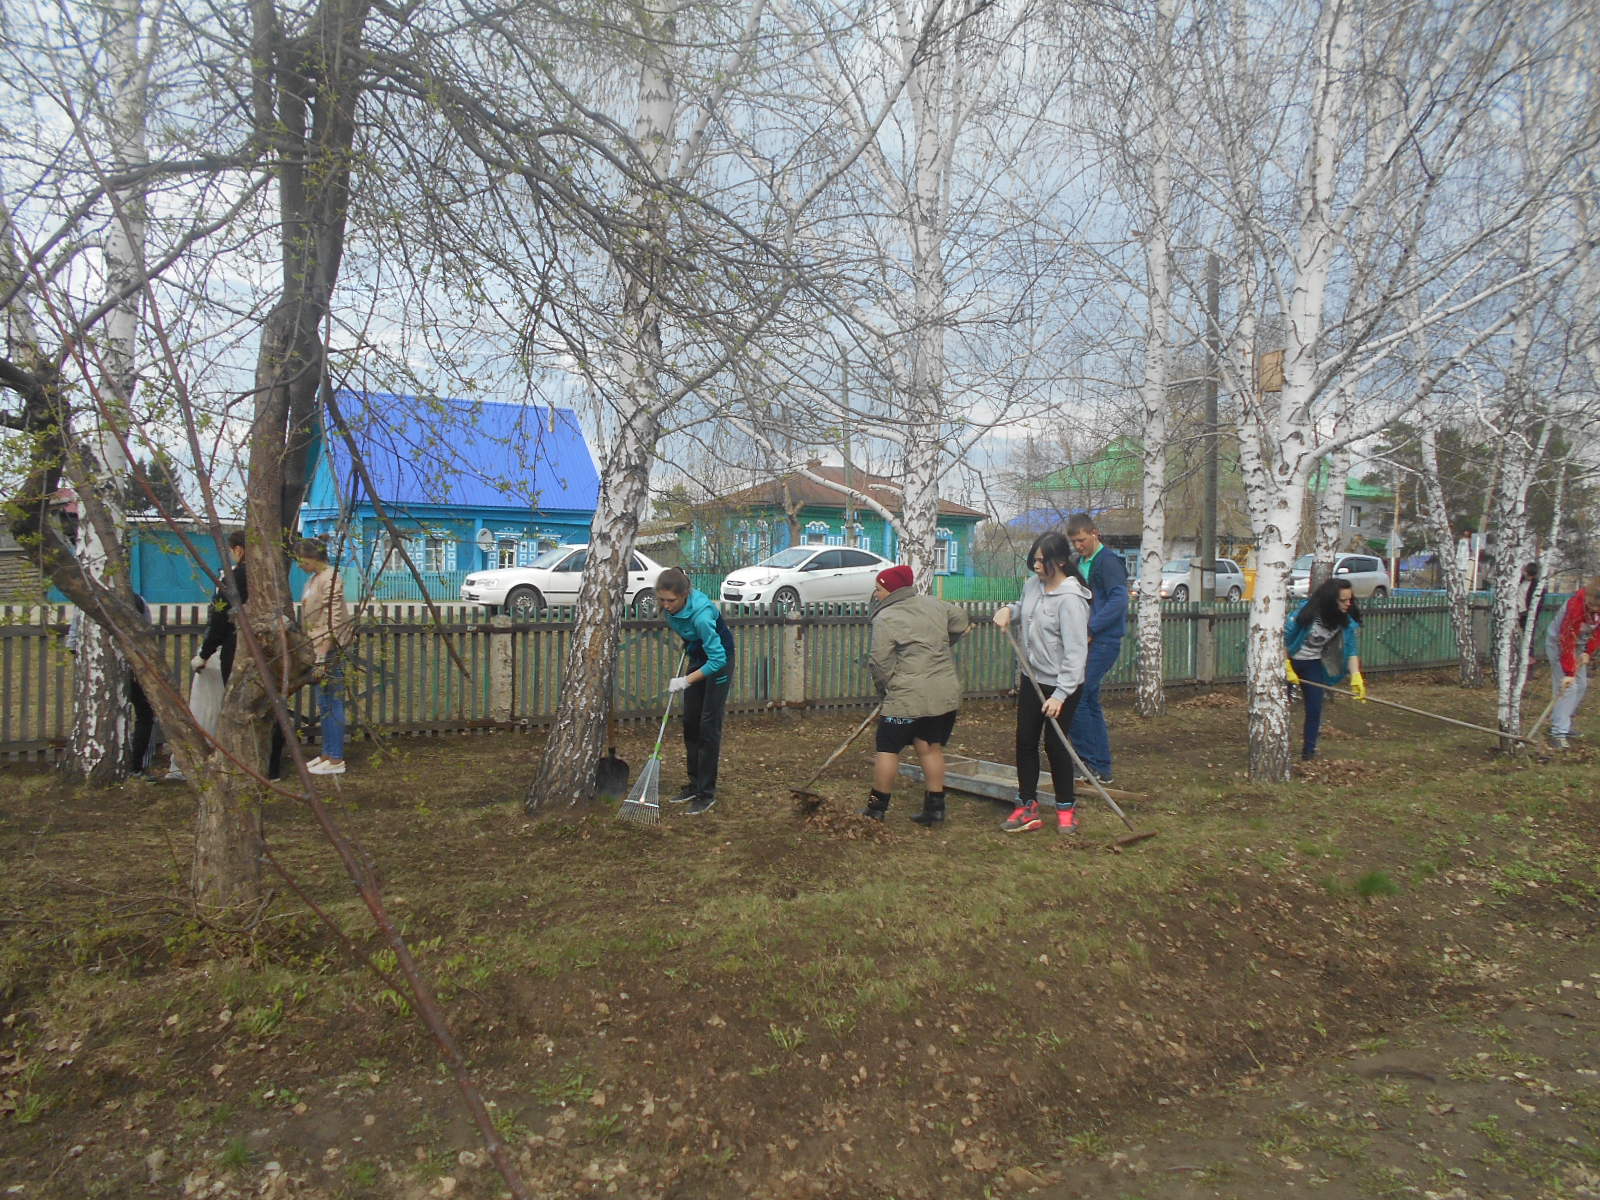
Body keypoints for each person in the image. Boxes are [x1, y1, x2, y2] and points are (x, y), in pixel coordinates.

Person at [993, 531, 1091, 834]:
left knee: (1055, 744)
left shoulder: (1071, 600)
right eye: (1034, 559)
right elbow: (1025, 608)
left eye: (1041, 560)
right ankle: (1027, 805)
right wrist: (1009, 610)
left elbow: (1076, 653)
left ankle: (1066, 807)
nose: (1035, 565)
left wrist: (1060, 695)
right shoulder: (1033, 585)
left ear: (1059, 561)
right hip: (1032, 677)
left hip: (1063, 685)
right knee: (1025, 740)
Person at [863, 564, 971, 824]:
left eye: (878, 589)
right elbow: (962, 622)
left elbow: (879, 662)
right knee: (929, 747)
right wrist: (946, 641)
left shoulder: (886, 617)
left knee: (887, 748)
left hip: (906, 700)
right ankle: (935, 810)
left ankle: (876, 809)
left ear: (891, 590)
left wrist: (886, 689)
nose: (876, 594)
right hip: (943, 696)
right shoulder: (936, 605)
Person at [656, 566, 734, 815]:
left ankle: (706, 793)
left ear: (684, 595)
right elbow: (689, 634)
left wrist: (686, 680)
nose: (666, 605)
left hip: (719, 661)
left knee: (708, 726)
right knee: (691, 723)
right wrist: (690, 644)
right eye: (662, 599)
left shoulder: (702, 615)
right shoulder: (669, 611)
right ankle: (694, 783)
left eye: (671, 600)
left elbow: (717, 659)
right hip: (699, 657)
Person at [1065, 513, 1129, 785]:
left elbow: (1119, 600)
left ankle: (1088, 762)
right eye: (1074, 542)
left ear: (1094, 533)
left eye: (1081, 540)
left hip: (1103, 640)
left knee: (1077, 695)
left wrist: (1092, 628)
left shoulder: (1108, 562)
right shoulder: (1079, 563)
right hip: (1084, 640)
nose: (1078, 545)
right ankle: (1101, 766)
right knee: (1088, 699)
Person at [1284, 577, 1366, 761]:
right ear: (1330, 600)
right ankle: (1277, 748)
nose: (1348, 604)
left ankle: (1309, 753)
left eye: (1350, 599)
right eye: (1343, 600)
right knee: (1281, 706)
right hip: (1288, 661)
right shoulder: (1306, 614)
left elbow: (1351, 649)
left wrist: (1356, 675)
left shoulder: (1344, 621)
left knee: (1315, 708)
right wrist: (1286, 666)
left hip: (1312, 664)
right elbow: (1281, 640)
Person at [296, 537, 355, 775]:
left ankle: (336, 759)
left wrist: (323, 652)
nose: (299, 564)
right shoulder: (314, 578)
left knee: (333, 701)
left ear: (312, 557)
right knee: (323, 702)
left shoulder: (331, 577)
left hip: (330, 648)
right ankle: (327, 753)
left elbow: (334, 617)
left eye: (301, 559)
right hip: (316, 645)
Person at [1545, 576, 1600, 750]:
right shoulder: (1575, 606)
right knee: (1569, 688)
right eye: (1594, 606)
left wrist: (1588, 651)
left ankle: (1563, 723)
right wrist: (1568, 673)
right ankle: (1558, 732)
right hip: (1559, 645)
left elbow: (1598, 632)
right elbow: (1566, 640)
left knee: (1581, 685)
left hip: (1578, 646)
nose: (1596, 610)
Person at [194, 531, 249, 683]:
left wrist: (204, 654)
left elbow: (220, 618)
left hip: (236, 648)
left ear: (238, 550)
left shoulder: (234, 578)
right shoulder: (267, 577)